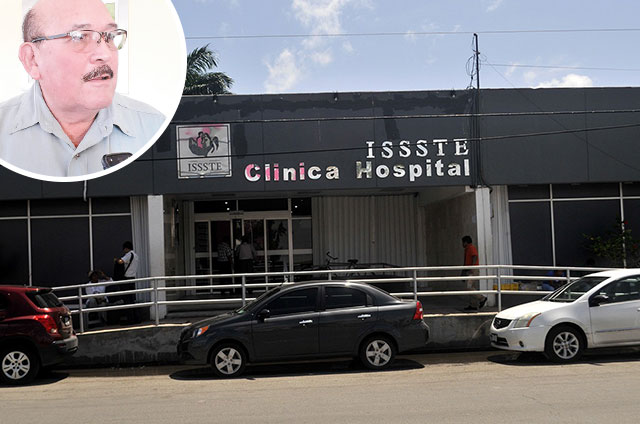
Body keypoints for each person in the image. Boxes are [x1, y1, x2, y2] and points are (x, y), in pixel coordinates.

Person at [0, 0, 165, 179]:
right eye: (79, 37)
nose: (105, 54)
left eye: (110, 36)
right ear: (32, 59)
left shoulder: (155, 127)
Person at [115, 241, 140, 323]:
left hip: (127, 279)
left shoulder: (129, 255)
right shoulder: (136, 255)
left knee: (127, 299)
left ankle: (130, 319)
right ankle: (136, 317)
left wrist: (116, 260)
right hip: (132, 279)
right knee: (132, 299)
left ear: (126, 248)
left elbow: (121, 261)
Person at [461, 235, 487, 311]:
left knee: (469, 287)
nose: (462, 244)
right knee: (472, 287)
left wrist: (472, 267)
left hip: (473, 270)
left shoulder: (471, 248)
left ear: (466, 242)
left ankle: (482, 298)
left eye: (463, 242)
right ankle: (473, 305)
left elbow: (475, 256)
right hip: (470, 270)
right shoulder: (467, 249)